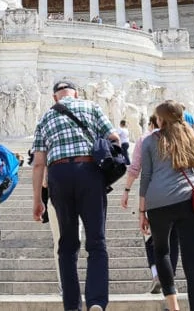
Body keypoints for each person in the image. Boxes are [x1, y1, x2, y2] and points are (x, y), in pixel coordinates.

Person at [31, 79, 119, 311]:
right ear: (76, 94)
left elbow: (39, 163)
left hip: (58, 174)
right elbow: (114, 139)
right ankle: (96, 301)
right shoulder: (91, 107)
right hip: (89, 171)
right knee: (96, 241)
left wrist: (38, 200)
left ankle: (72, 306)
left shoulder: (45, 117)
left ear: (55, 97)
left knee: (67, 244)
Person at [138, 100, 194, 311]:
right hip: (188, 201)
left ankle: (173, 307)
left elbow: (146, 177)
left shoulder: (151, 140)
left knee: (161, 252)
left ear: (161, 118)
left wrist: (142, 211)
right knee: (192, 258)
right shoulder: (191, 137)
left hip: (158, 204)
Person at [121, 114, 178, 295]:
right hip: (177, 195)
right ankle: (170, 280)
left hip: (152, 195)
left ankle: (156, 274)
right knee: (173, 240)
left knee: (151, 238)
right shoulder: (177, 137)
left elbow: (136, 168)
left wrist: (127, 190)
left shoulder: (144, 139)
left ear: (151, 123)